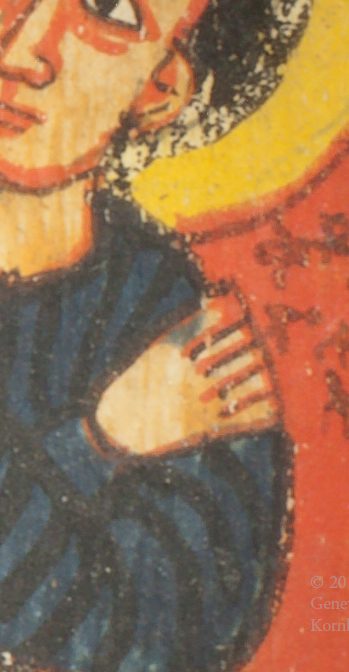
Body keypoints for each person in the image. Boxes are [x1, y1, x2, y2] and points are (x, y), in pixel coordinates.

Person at [0, 1, 310, 670]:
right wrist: (97, 441)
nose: (24, 50)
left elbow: (166, 636)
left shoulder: (178, 329)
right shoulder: (164, 388)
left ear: (161, 89)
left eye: (109, 11)